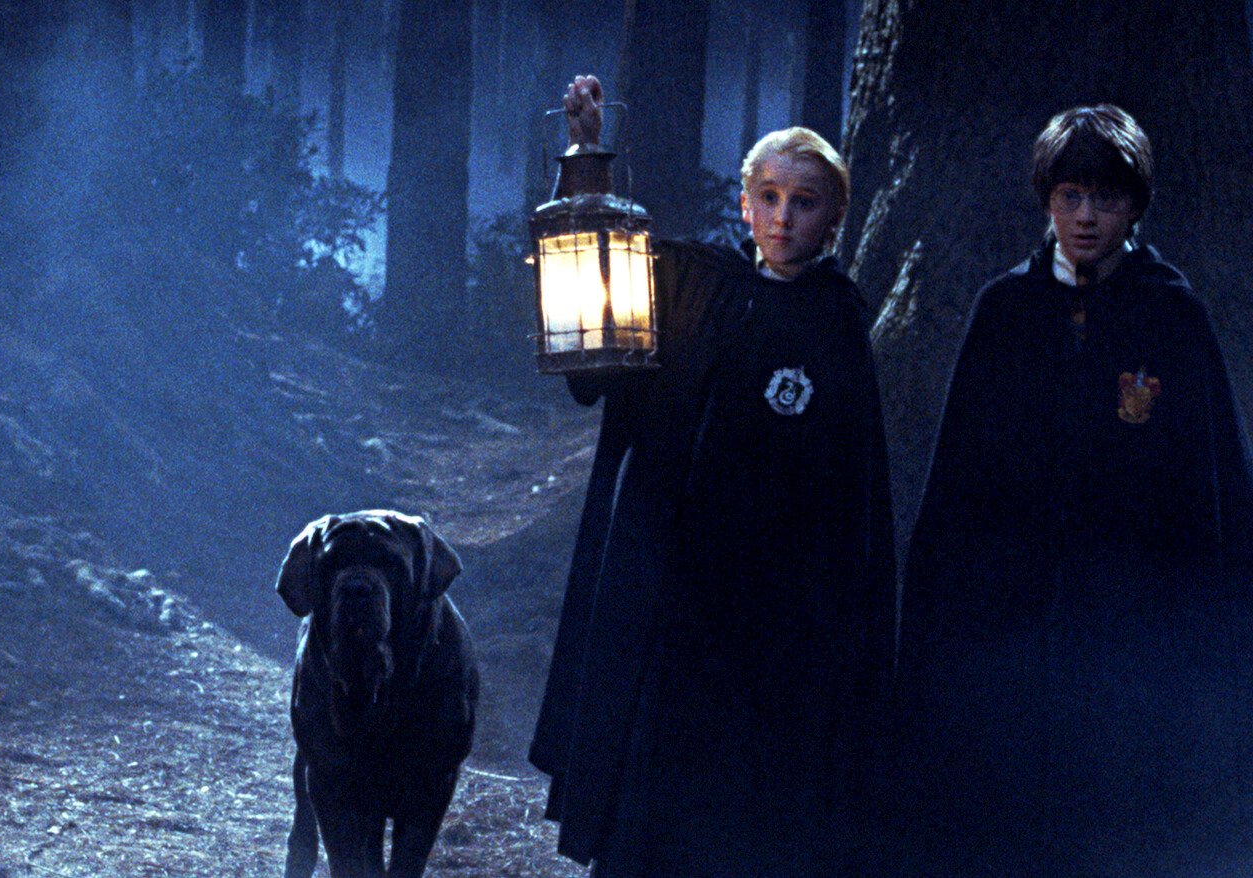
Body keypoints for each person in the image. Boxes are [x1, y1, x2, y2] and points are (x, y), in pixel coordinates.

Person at [529, 75, 896, 877]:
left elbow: (849, 493)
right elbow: (591, 323)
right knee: (653, 772)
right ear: (744, 206)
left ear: (834, 219)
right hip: (668, 586)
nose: (783, 217)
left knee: (744, 795)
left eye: (804, 202)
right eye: (769, 197)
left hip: (770, 610)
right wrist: (585, 154)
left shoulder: (836, 321)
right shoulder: (688, 282)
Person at [897, 103, 1253, 875]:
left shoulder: (1171, 313)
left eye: (1106, 198)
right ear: (1048, 200)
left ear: (1135, 205)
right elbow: (958, 476)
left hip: (1133, 629)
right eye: (1070, 196)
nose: (1086, 217)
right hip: (1014, 624)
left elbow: (1211, 485)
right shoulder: (1006, 310)